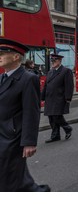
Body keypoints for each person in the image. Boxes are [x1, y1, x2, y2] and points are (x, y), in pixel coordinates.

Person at [0, 38, 50, 191]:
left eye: (2, 53)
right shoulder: (2, 78)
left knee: (9, 178)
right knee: (14, 178)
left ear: (16, 57)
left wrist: (29, 141)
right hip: (1, 133)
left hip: (13, 137)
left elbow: (31, 111)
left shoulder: (28, 78)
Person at [41, 54, 74, 143]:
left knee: (57, 116)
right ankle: (55, 135)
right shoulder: (50, 72)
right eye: (52, 61)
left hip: (59, 98)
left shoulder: (66, 71)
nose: (52, 62)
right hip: (49, 98)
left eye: (54, 61)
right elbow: (46, 86)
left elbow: (69, 86)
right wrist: (42, 96)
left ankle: (68, 128)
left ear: (59, 61)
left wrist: (68, 98)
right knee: (51, 118)